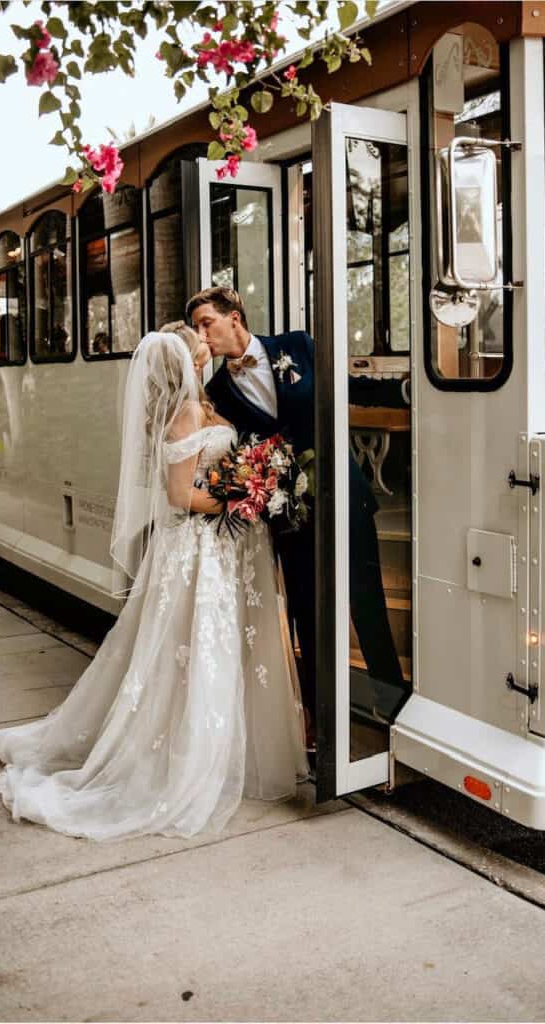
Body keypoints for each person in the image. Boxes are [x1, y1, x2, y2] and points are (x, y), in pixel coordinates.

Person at [0, 326, 307, 841]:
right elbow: (180, 495)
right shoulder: (186, 413)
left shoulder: (202, 402)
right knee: (200, 648)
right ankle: (194, 761)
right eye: (197, 341)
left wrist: (249, 485)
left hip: (220, 547)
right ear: (185, 360)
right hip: (199, 548)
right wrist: (245, 499)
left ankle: (223, 752)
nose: (205, 342)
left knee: (212, 646)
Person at [187, 286, 405, 749]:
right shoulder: (216, 393)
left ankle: (391, 706)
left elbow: (347, 387)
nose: (202, 334)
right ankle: (319, 719)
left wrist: (405, 391)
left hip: (343, 495)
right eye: (196, 329)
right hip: (288, 515)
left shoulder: (297, 346)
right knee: (307, 615)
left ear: (234, 317)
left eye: (207, 323)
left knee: (367, 602)